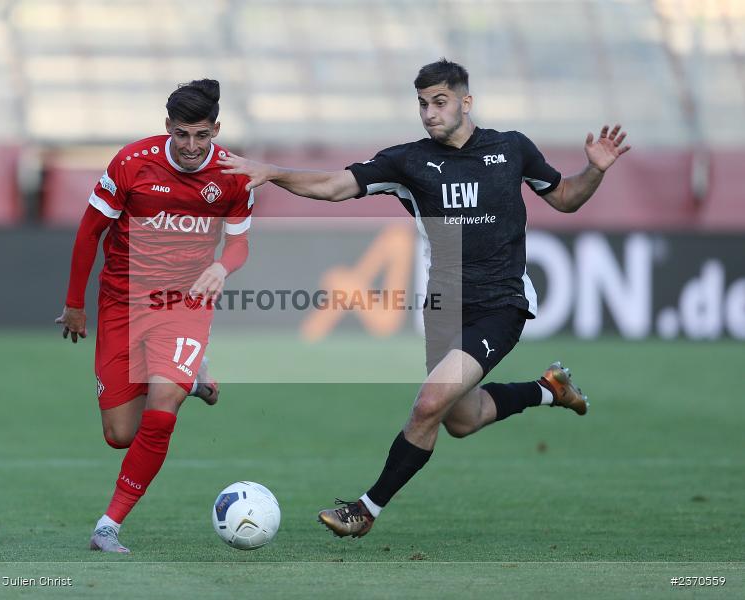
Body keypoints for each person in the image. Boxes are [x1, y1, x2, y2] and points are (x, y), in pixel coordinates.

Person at [219, 59, 630, 538]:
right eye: (422, 104)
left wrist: (594, 171)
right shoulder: (408, 162)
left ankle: (365, 510)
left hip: (501, 304)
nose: (429, 114)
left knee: (428, 404)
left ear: (465, 102)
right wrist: (271, 172)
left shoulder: (511, 149)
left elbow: (565, 198)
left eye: (439, 102)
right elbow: (334, 186)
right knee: (462, 418)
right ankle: (549, 389)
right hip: (444, 309)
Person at [56, 79, 254, 552]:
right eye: (182, 134)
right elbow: (89, 232)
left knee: (162, 408)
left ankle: (109, 525)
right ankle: (192, 376)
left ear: (216, 130)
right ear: (168, 128)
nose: (191, 146)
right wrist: (75, 305)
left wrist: (221, 267)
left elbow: (241, 242)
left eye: (202, 135)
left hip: (185, 303)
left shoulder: (234, 175)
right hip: (122, 302)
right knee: (120, 435)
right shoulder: (131, 163)